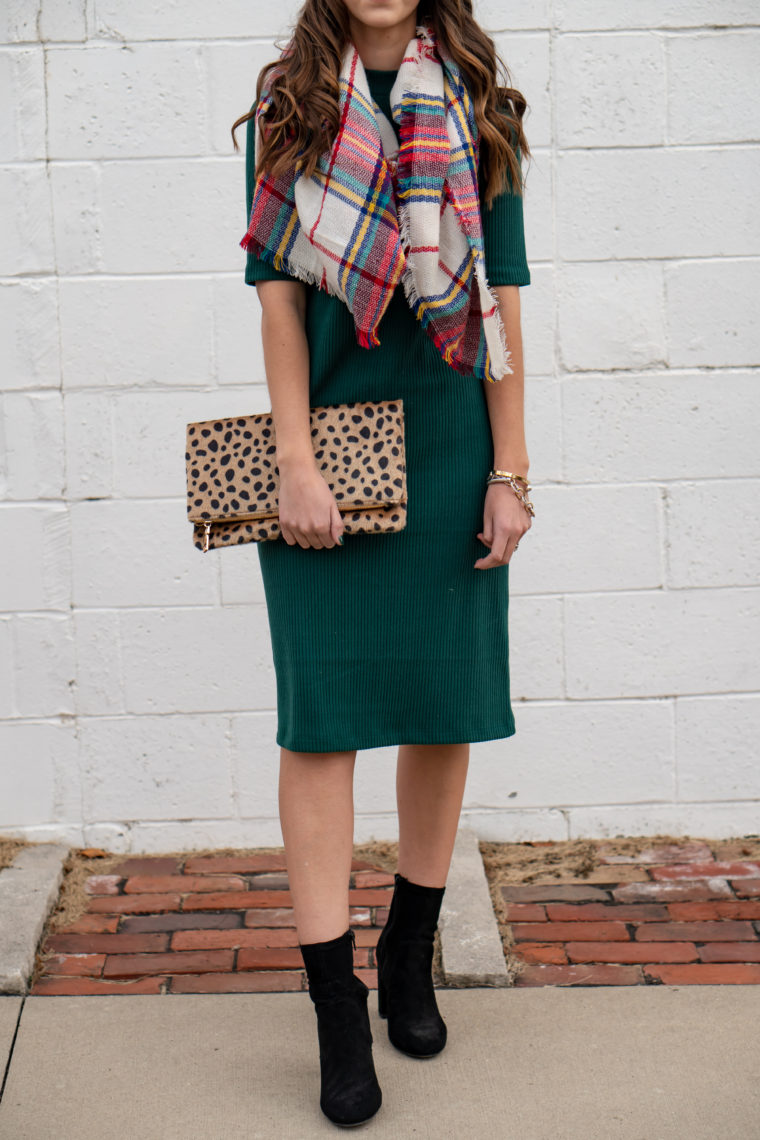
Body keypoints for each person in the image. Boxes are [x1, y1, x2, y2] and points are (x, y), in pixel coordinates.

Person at [231, 0, 533, 1127]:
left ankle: (409, 955)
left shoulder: (479, 111)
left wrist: (511, 470)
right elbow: (275, 298)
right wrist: (295, 460)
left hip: (452, 447)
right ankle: (332, 1010)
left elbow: (500, 302)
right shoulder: (287, 111)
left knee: (440, 712)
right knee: (320, 727)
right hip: (328, 460)